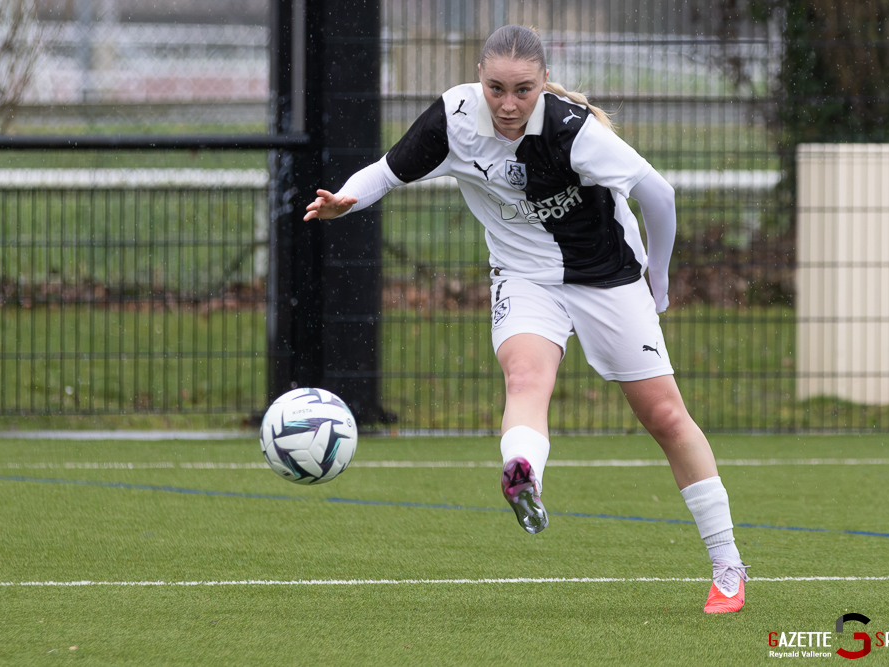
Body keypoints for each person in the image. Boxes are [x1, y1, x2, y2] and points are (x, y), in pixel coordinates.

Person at [304, 24, 749, 614]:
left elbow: (659, 196)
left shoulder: (573, 130)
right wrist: (344, 199)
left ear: (544, 82)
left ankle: (727, 564)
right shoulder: (455, 118)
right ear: (479, 79)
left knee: (666, 417)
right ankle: (523, 474)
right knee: (524, 379)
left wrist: (659, 279)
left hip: (607, 277)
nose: (508, 104)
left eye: (523, 90)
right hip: (524, 277)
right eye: (496, 89)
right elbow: (386, 172)